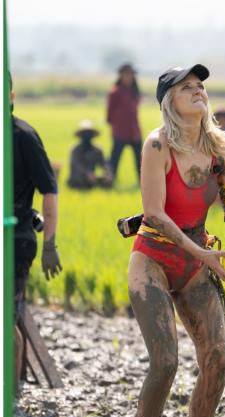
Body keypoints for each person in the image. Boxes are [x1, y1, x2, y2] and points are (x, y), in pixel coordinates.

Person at [127, 64, 225, 417]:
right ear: (170, 100)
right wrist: (203, 253)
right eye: (187, 87)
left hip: (194, 261)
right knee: (166, 362)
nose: (198, 91)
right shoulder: (157, 145)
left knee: (218, 357)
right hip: (153, 257)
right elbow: (154, 213)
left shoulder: (219, 146)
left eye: (200, 85)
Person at [11, 74, 62, 385]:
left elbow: (49, 191)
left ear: (11, 95)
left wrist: (50, 245)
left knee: (8, 318)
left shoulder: (23, 136)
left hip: (14, 238)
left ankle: (12, 391)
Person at [106, 63, 142, 184]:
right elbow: (109, 114)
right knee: (114, 160)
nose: (128, 77)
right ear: (121, 76)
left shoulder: (135, 92)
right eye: (126, 74)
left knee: (140, 160)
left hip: (134, 131)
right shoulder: (115, 92)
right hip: (120, 132)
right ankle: (110, 181)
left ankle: (142, 182)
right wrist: (116, 127)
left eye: (130, 75)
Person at [67, 120, 112, 189]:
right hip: (79, 176)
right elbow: (77, 166)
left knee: (108, 181)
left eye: (89, 134)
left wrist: (107, 173)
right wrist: (87, 173)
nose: (87, 136)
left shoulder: (97, 150)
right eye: (85, 134)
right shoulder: (75, 150)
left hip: (92, 176)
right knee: (79, 181)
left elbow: (104, 164)